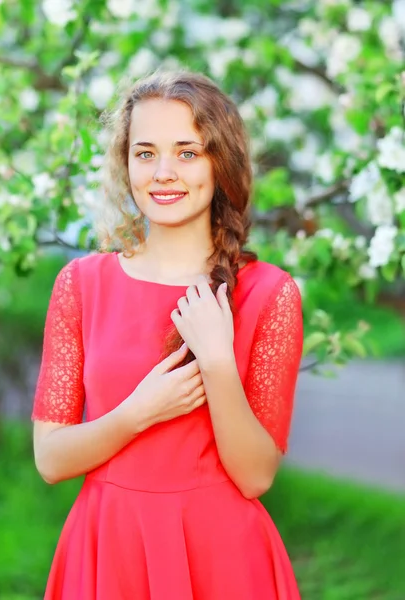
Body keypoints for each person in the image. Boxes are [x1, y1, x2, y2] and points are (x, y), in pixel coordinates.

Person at [31, 70, 304, 599]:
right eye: (145, 153)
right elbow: (51, 458)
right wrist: (139, 412)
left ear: (219, 162)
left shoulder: (271, 294)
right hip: (109, 548)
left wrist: (218, 362)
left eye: (187, 152)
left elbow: (255, 477)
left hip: (222, 557)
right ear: (125, 162)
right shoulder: (82, 285)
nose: (163, 173)